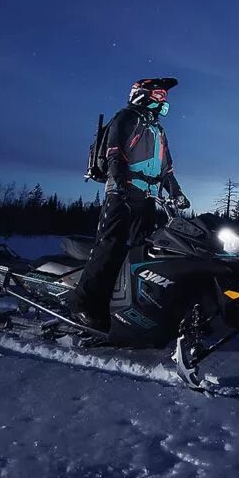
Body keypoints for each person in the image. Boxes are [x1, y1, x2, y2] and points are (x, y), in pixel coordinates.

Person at [71, 77, 190, 330]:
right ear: (142, 93)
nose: (163, 100)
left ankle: (136, 307)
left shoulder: (158, 130)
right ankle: (85, 305)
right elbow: (114, 153)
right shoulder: (126, 118)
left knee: (144, 251)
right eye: (158, 94)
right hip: (122, 193)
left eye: (164, 97)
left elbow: (167, 168)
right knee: (110, 246)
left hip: (148, 198)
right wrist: (122, 182)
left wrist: (176, 192)